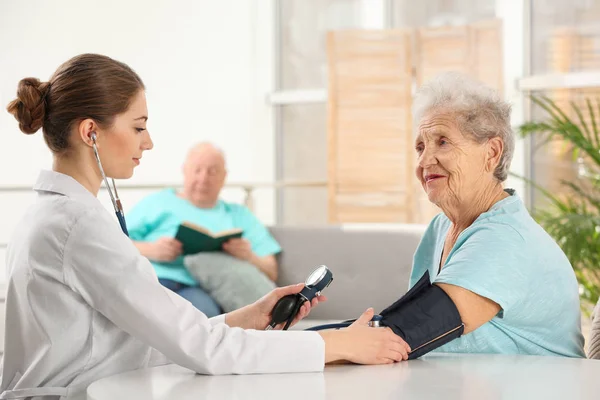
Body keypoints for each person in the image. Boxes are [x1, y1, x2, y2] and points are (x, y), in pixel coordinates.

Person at [0, 54, 411, 400]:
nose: (149, 142)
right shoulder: (76, 225)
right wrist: (336, 345)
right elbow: (203, 350)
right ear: (90, 132)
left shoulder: (55, 215)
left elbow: (144, 342)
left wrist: (245, 318)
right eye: (139, 126)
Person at [405, 72, 585, 357]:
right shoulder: (440, 227)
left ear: (491, 153)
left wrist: (318, 345)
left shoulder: (505, 237)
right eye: (420, 147)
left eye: (442, 142)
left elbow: (411, 332)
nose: (425, 160)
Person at [127, 142, 280, 317]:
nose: (203, 178)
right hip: (154, 280)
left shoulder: (239, 215)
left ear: (224, 177)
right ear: (184, 171)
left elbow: (271, 270)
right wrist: (152, 250)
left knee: (205, 319)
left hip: (195, 290)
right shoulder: (157, 203)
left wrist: (248, 257)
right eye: (197, 170)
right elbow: (115, 242)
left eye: (212, 171)